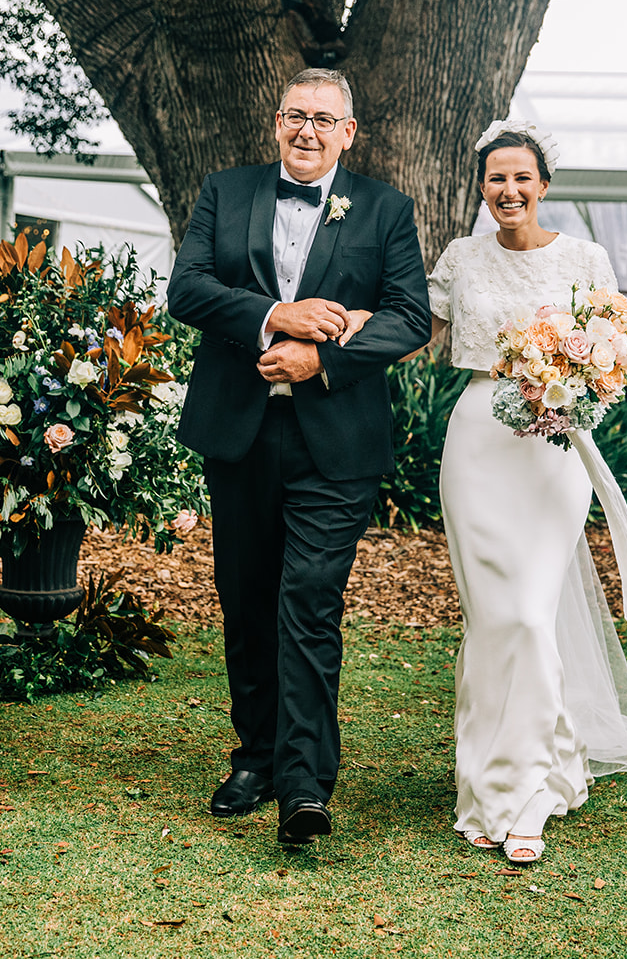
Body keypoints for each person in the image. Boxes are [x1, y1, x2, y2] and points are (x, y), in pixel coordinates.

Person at [166, 68, 432, 846]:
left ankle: (306, 785)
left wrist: (323, 360)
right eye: (295, 116)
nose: (307, 130)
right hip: (238, 432)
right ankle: (256, 755)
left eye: (324, 119)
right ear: (275, 122)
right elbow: (187, 289)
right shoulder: (227, 189)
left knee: (309, 598)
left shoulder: (385, 209)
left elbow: (411, 315)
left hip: (335, 442)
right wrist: (275, 314)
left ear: (350, 132)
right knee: (245, 598)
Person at [426, 120, 627, 865]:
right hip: (478, 440)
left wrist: (574, 383)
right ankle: (484, 785)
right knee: (494, 619)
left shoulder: (585, 257)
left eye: (522, 177)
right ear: (481, 187)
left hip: (554, 447)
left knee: (531, 615)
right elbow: (414, 329)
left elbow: (616, 353)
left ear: (544, 184)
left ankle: (533, 786)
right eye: (496, 178)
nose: (509, 190)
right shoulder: (459, 258)